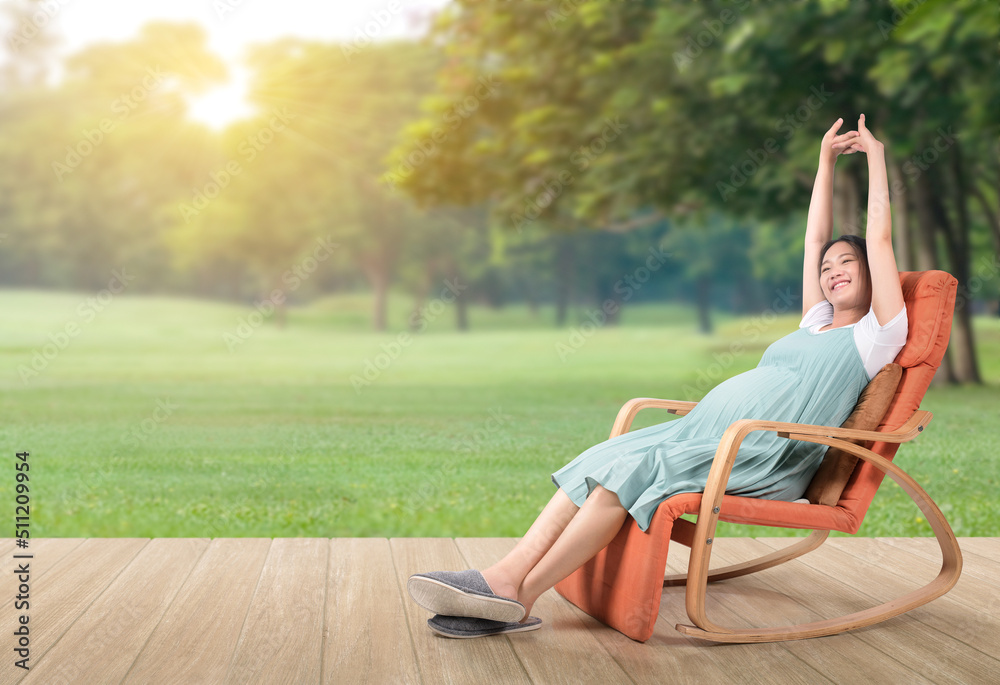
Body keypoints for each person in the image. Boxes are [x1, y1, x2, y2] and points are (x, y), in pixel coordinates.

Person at [407, 115, 908, 639]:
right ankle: (502, 578)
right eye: (827, 268)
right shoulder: (816, 321)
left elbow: (879, 235)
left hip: (761, 453)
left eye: (846, 262)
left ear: (874, 272)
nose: (831, 270)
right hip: (706, 435)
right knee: (602, 458)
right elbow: (812, 242)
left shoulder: (876, 336)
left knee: (631, 469)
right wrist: (824, 162)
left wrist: (874, 155)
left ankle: (520, 597)